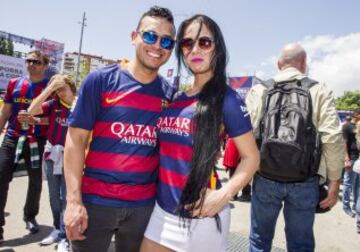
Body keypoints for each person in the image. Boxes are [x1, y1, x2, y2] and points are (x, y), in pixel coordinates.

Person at [140, 14, 259, 252]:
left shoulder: (228, 99)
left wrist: (224, 195)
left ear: (217, 48)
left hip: (202, 217)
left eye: (204, 42)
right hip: (161, 211)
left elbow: (252, 157)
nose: (195, 49)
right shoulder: (176, 98)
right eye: (187, 43)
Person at [63, 6, 176, 252]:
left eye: (167, 41)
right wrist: (73, 201)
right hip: (95, 202)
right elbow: (75, 140)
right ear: (134, 36)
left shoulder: (170, 95)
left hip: (144, 208)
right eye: (150, 36)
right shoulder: (100, 81)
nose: (157, 45)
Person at [246, 43, 344, 252]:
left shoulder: (260, 90)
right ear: (304, 64)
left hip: (265, 176)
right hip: (304, 180)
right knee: (300, 244)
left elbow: (246, 134)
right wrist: (334, 181)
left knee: (258, 240)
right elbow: (333, 137)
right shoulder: (318, 90)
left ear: (279, 64)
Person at [0, 50, 50, 243]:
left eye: (36, 61)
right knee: (1, 179)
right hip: (12, 138)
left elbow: (52, 119)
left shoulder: (49, 88)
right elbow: (5, 113)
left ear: (44, 66)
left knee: (36, 182)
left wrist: (35, 121)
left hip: (37, 140)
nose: (31, 64)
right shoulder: (15, 83)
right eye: (28, 60)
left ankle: (30, 216)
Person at [28, 74, 76, 251]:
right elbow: (31, 110)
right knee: (54, 196)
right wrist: (48, 90)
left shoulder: (80, 104)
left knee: (66, 198)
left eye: (62, 88)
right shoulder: (54, 104)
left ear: (72, 87)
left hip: (71, 158)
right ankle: (57, 228)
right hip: (51, 155)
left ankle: (64, 236)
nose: (60, 92)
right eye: (57, 89)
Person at [342, 110, 360, 217]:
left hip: (358, 160)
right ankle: (346, 207)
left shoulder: (358, 127)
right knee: (348, 184)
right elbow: (343, 142)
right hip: (351, 159)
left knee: (357, 185)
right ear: (356, 115)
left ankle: (355, 206)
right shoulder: (347, 126)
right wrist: (346, 158)